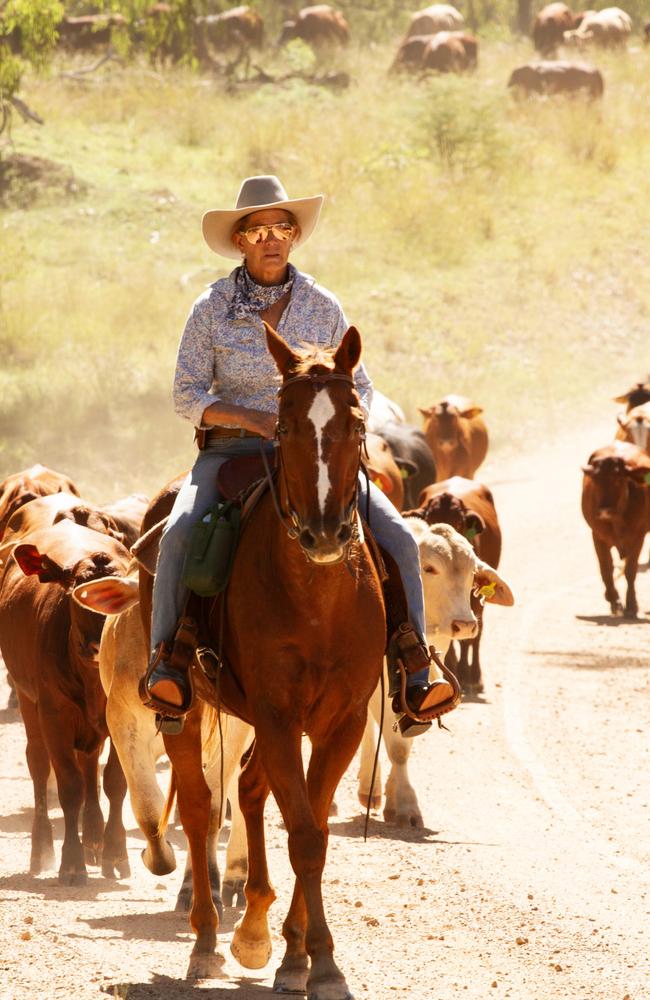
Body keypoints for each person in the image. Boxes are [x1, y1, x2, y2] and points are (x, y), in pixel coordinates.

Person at [139, 175, 460, 737]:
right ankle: (169, 662)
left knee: (401, 538)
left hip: (320, 455)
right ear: (240, 240)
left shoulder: (322, 304)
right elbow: (186, 394)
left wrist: (359, 427)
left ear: (294, 236)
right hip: (232, 453)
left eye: (281, 227)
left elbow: (357, 384)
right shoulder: (211, 307)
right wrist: (251, 418)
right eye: (258, 229)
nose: (271, 238)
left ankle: (414, 666)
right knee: (179, 533)